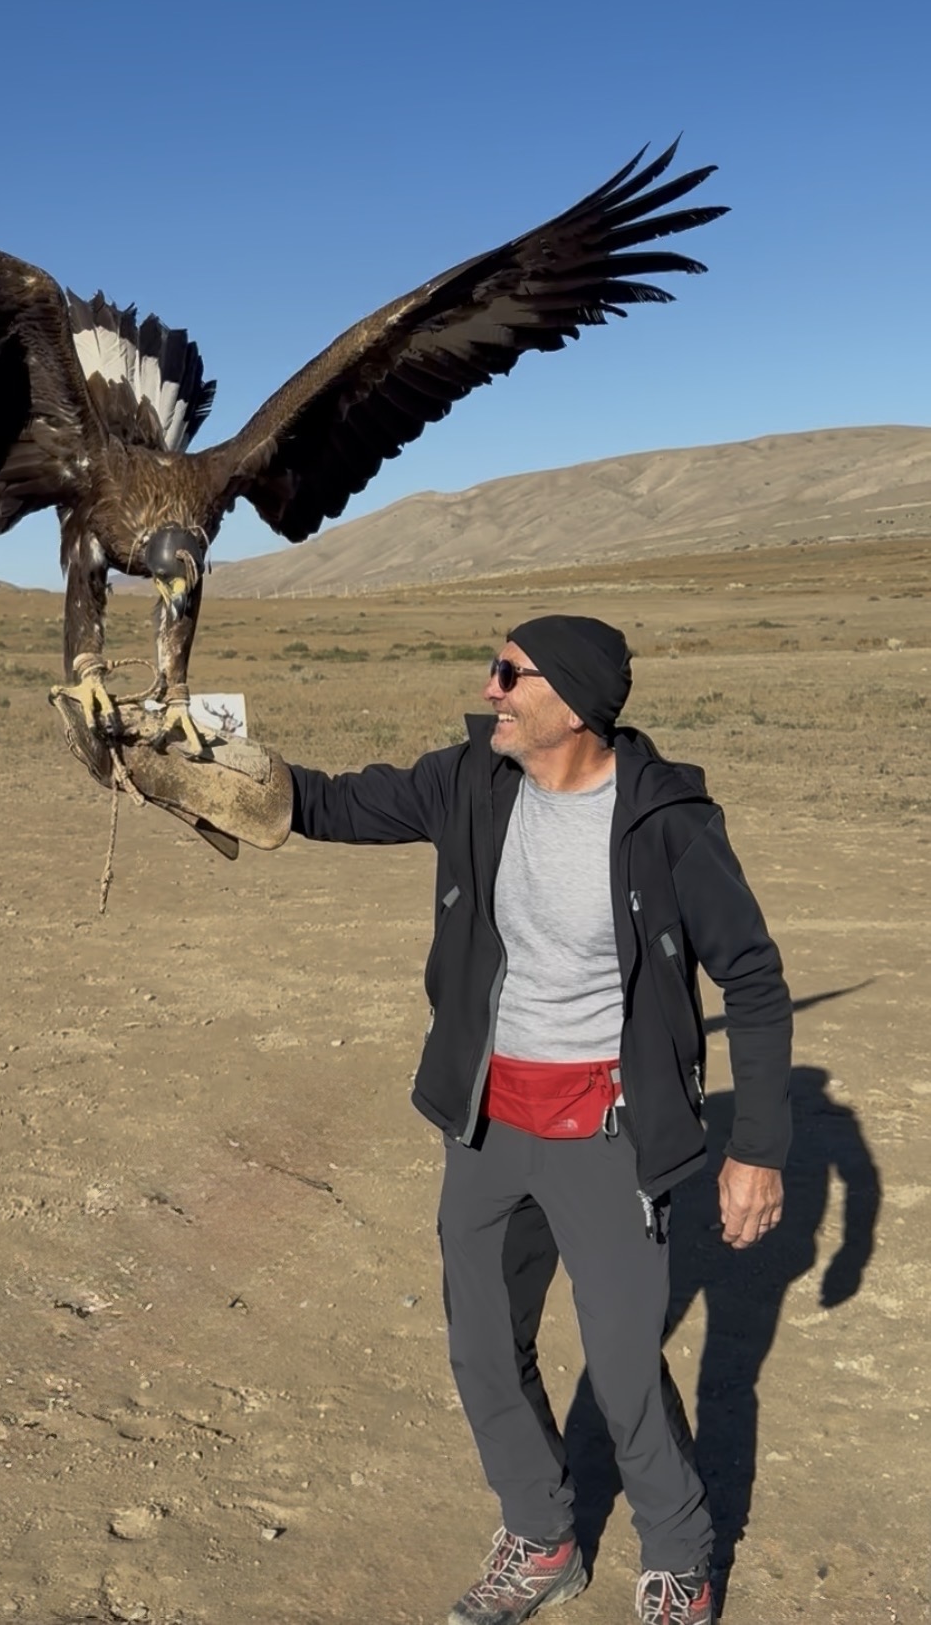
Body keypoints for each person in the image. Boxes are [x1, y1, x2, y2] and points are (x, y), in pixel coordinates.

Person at [285, 615, 791, 1625]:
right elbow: (330, 802)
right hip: (485, 1120)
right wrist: (198, 765)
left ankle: (681, 1554)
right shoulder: (472, 780)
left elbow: (753, 976)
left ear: (575, 700)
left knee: (622, 1368)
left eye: (510, 674)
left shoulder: (665, 820)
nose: (491, 690)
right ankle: (541, 1533)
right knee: (482, 1345)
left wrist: (759, 1148)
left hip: (606, 1132)